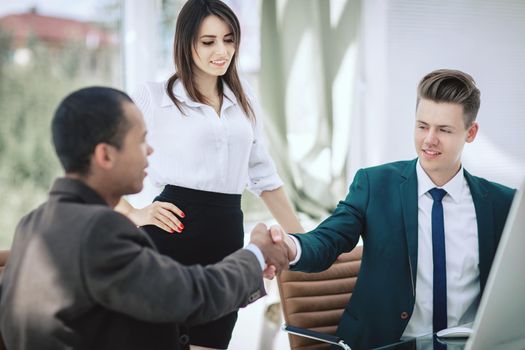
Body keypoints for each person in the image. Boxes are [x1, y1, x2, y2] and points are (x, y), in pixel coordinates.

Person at [0, 87, 290, 350]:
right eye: (141, 141)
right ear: (105, 155)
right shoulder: (100, 231)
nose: (150, 151)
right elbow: (190, 297)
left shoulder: (33, 224)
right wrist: (257, 254)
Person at [274, 69, 516, 349]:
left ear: (470, 132)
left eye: (444, 130)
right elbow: (328, 240)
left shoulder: (502, 203)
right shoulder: (374, 185)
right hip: (387, 343)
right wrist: (290, 247)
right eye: (422, 126)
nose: (429, 140)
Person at [115, 1, 303, 349]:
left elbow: (264, 177)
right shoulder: (153, 97)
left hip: (226, 240)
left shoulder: (243, 96)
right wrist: (135, 213)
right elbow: (99, 164)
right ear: (187, 43)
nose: (222, 51)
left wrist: (303, 241)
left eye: (229, 39)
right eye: (208, 41)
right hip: (169, 243)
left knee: (214, 342)